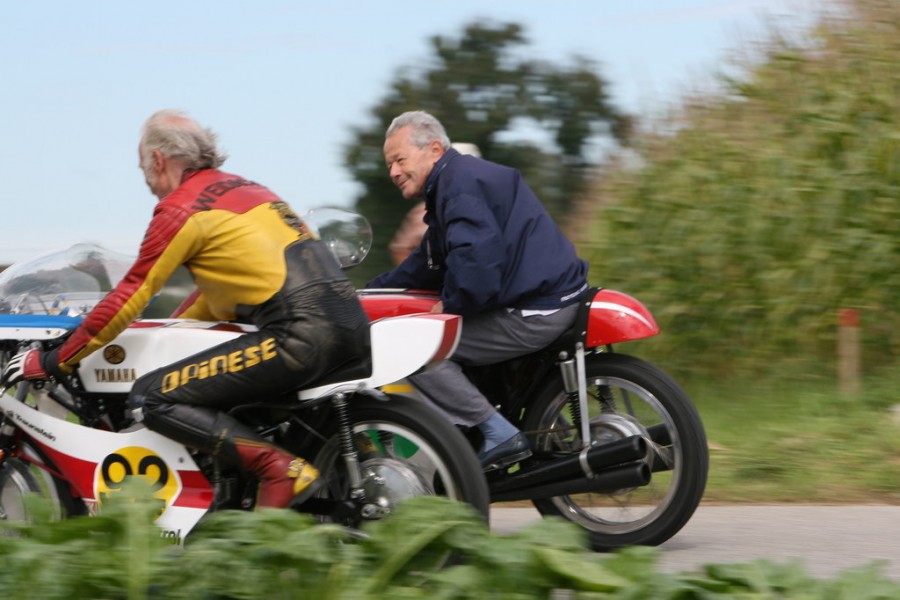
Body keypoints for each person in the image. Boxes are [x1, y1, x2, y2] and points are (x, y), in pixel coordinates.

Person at [0, 109, 371, 509]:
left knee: (152, 397)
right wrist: (169, 327)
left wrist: (57, 360)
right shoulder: (249, 190)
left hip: (298, 334)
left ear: (158, 160)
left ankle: (277, 468)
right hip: (349, 324)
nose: (144, 177)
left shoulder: (181, 208)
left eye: (142, 165)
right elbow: (222, 294)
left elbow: (129, 295)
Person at [368, 110, 589, 470]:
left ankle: (497, 433)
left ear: (435, 149)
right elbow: (428, 262)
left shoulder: (458, 187)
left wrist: (451, 305)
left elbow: (477, 264)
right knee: (443, 334)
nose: (393, 171)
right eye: (389, 163)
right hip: (548, 297)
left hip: (535, 310)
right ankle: (519, 425)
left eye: (399, 160)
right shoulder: (458, 182)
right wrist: (367, 294)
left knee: (416, 349)